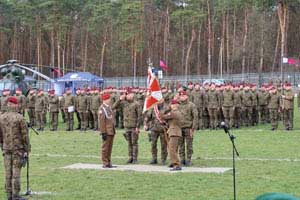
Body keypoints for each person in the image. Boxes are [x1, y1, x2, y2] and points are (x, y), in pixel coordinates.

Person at [0, 96, 30, 200]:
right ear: (15, 105)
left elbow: (0, 135)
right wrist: (27, 149)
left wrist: (2, 146)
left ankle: (9, 194)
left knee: (8, 172)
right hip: (18, 149)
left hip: (6, 148)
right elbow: (25, 135)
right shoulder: (19, 117)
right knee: (16, 172)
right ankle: (15, 195)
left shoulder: (1, 117)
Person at [113, 89, 140, 164]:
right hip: (127, 125)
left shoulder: (136, 104)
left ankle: (135, 158)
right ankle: (130, 157)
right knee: (129, 143)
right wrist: (119, 99)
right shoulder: (124, 103)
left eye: (129, 94)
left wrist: (137, 126)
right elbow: (114, 107)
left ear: (132, 95)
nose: (127, 96)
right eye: (126, 95)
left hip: (134, 126)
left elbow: (139, 116)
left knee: (134, 143)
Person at [161, 99, 183, 171]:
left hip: (174, 132)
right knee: (172, 148)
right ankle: (173, 162)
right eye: (171, 104)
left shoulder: (174, 113)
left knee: (172, 149)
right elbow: (170, 121)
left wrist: (158, 111)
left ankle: (177, 164)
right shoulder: (175, 113)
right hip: (173, 132)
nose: (172, 106)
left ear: (177, 105)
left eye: (174, 104)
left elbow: (163, 116)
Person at [178, 90, 198, 166]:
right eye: (180, 96)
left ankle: (188, 159)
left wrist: (193, 128)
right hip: (179, 128)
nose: (182, 97)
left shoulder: (191, 105)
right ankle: (182, 159)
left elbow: (195, 117)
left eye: (183, 96)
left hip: (188, 128)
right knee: (180, 145)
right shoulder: (178, 105)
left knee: (189, 144)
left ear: (186, 96)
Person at [98, 93, 115, 168]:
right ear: (105, 100)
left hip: (111, 130)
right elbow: (101, 122)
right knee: (105, 148)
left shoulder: (108, 107)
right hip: (106, 131)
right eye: (108, 99)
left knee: (109, 148)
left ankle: (108, 161)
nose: (110, 100)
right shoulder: (102, 108)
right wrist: (103, 132)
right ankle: (105, 162)